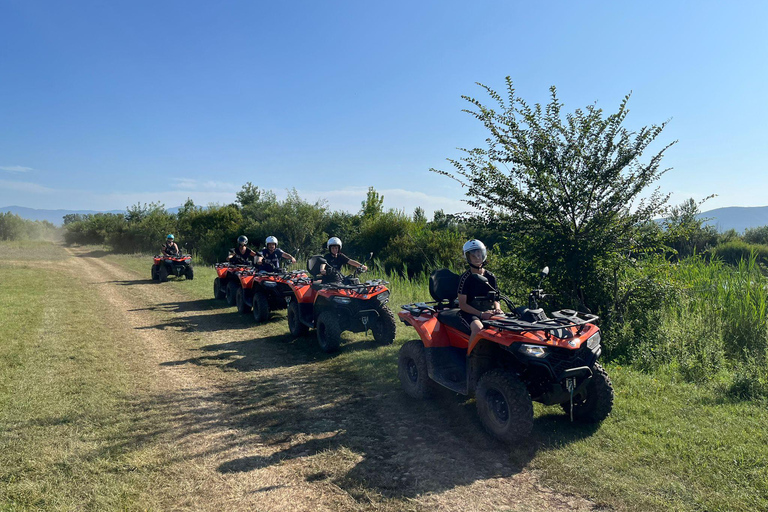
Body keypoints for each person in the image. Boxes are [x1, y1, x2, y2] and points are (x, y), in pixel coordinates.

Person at [457, 239, 502, 345]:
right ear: (468, 258)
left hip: (488, 311)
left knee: (504, 327)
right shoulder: (465, 278)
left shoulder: (490, 277)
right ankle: (470, 358)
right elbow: (462, 305)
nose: (477, 258)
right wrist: (481, 314)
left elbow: (496, 298)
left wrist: (498, 309)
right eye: (473, 256)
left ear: (483, 254)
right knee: (478, 328)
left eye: (479, 254)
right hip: (469, 313)